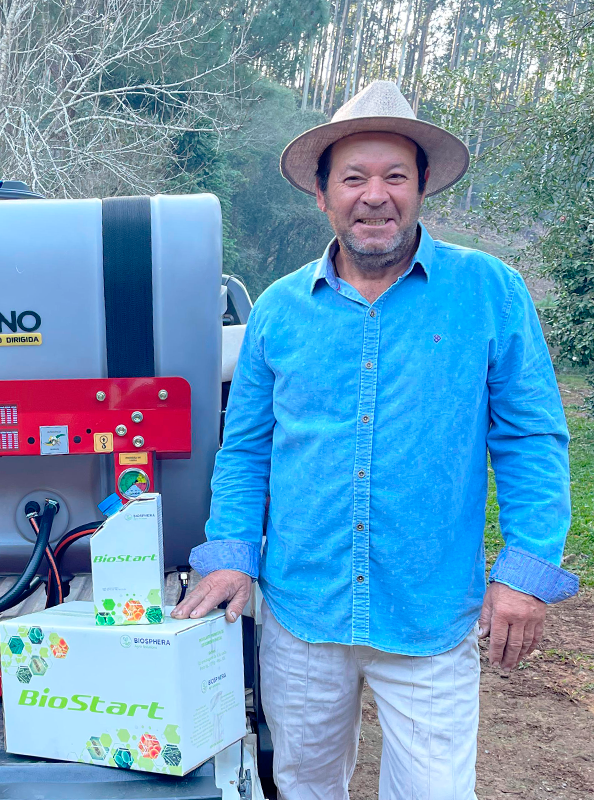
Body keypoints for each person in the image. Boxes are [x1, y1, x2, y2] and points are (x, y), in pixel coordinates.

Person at [171, 80, 578, 800]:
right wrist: (231, 552)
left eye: (395, 176)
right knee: (303, 785)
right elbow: (246, 449)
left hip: (428, 608)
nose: (375, 196)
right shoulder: (279, 309)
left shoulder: (490, 291)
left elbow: (531, 439)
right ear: (322, 194)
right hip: (303, 609)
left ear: (422, 188)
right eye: (354, 178)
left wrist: (525, 570)